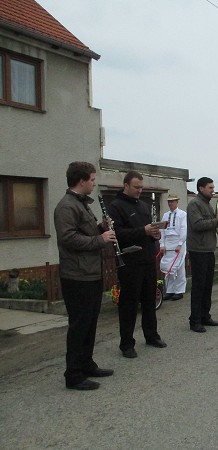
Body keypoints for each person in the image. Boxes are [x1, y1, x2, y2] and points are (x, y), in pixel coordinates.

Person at [54, 162, 116, 390]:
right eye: (91, 179)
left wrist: (101, 227)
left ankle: (87, 364)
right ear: (81, 181)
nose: (94, 183)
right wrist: (100, 240)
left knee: (90, 323)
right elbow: (68, 238)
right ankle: (73, 374)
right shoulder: (66, 206)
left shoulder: (81, 204)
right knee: (79, 325)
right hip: (76, 275)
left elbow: (85, 232)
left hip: (90, 272)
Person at [107, 171, 167, 358]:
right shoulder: (115, 207)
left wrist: (155, 234)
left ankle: (151, 335)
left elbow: (149, 231)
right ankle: (126, 344)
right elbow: (118, 235)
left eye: (142, 187)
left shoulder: (144, 205)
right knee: (129, 304)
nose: (140, 190)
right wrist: (143, 231)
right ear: (126, 185)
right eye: (136, 187)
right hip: (130, 261)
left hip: (148, 259)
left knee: (149, 300)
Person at [187, 177, 218, 332]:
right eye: (210, 188)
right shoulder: (194, 204)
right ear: (201, 188)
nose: (213, 190)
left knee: (207, 285)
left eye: (213, 187)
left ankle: (205, 316)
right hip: (198, 250)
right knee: (199, 286)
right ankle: (195, 320)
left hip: (208, 249)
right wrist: (217, 221)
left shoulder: (207, 204)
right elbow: (197, 225)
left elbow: (212, 222)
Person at [159, 193, 187, 301]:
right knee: (168, 268)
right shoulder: (165, 215)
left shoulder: (182, 214)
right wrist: (162, 244)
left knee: (178, 268)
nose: (170, 203)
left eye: (172, 201)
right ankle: (170, 291)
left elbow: (184, 229)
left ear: (177, 202)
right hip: (168, 243)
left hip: (178, 242)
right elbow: (162, 230)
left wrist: (180, 244)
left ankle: (179, 291)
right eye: (169, 201)